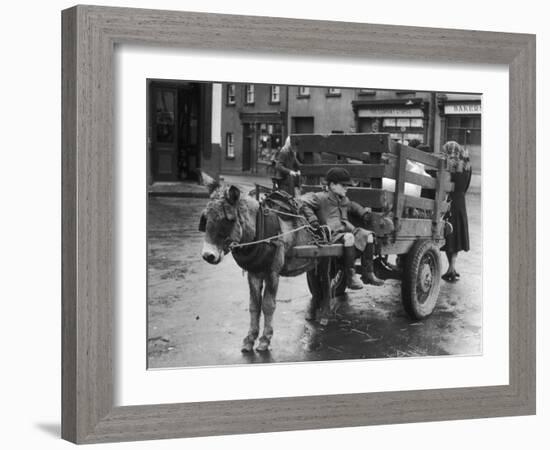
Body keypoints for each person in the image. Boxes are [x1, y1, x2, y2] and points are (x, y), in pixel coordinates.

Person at [301, 168, 384, 289]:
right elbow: (302, 202)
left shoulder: (344, 200)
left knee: (369, 236)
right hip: (332, 234)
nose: (347, 188)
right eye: (343, 185)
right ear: (332, 185)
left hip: (346, 231)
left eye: (347, 185)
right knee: (349, 237)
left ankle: (368, 273)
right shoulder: (320, 198)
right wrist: (313, 218)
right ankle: (351, 277)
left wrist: (363, 213)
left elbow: (353, 206)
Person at [440, 141, 472, 282]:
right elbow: (466, 186)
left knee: (449, 237)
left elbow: (444, 184)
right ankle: (452, 267)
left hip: (449, 201)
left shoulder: (447, 165)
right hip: (460, 202)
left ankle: (451, 268)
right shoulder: (467, 165)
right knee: (457, 236)